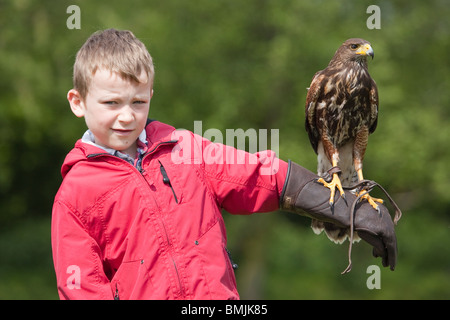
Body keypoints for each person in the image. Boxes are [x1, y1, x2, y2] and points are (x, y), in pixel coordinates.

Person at [51, 28, 397, 300]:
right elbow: (80, 287)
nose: (126, 116)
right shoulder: (75, 194)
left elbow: (258, 176)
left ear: (151, 96)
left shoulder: (184, 148)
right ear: (78, 102)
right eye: (111, 103)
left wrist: (342, 206)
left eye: (138, 102)